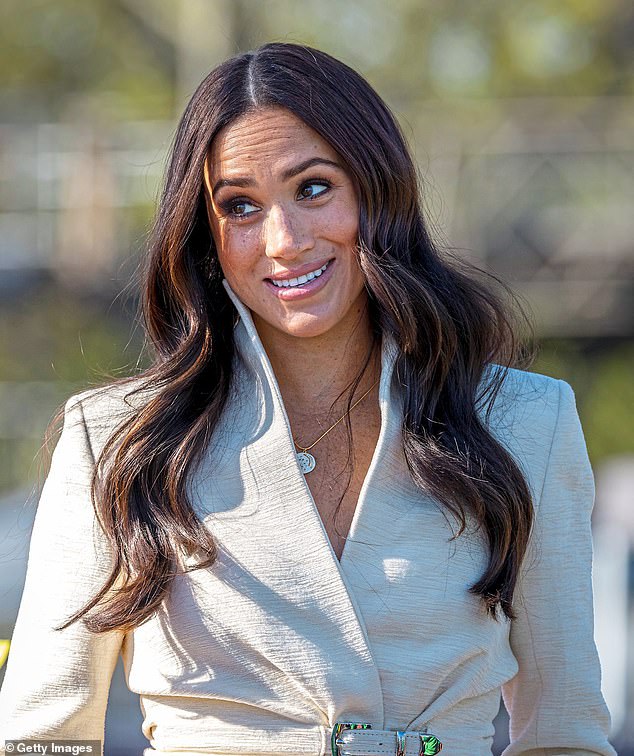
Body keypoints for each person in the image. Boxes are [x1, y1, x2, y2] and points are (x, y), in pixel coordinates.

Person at [0, 42, 616, 756]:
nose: (285, 241)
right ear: (206, 232)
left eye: (315, 188)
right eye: (240, 205)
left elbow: (565, 733)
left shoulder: (525, 423)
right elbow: (43, 740)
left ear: (377, 190)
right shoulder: (115, 440)